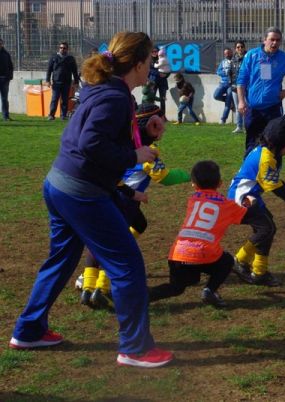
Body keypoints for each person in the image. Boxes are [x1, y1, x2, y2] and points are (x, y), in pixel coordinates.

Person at [9, 31, 173, 368]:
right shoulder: (115, 97)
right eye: (151, 61)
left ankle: (28, 330)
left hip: (60, 184)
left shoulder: (107, 89)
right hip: (81, 192)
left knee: (61, 260)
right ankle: (135, 348)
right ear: (139, 64)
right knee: (127, 265)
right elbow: (91, 144)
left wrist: (143, 135)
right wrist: (136, 153)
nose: (152, 67)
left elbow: (97, 136)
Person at [78, 103, 191, 309]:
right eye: (162, 122)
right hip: (125, 201)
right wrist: (188, 175)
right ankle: (100, 290)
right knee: (114, 245)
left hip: (107, 195)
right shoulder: (149, 150)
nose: (164, 127)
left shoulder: (123, 142)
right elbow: (163, 177)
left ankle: (87, 287)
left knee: (136, 225)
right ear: (151, 124)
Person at [148, 160, 248, 308]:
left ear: (194, 185)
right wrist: (250, 202)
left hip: (178, 254)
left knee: (176, 288)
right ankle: (209, 290)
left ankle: (140, 297)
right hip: (205, 254)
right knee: (226, 260)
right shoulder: (228, 205)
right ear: (220, 183)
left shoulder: (193, 199)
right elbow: (247, 214)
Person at [229, 115, 285, 287]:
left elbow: (275, 182)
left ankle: (259, 271)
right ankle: (239, 260)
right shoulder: (266, 157)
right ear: (282, 142)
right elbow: (275, 188)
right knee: (267, 228)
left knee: (268, 227)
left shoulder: (268, 152)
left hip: (250, 196)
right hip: (240, 199)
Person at [236, 27, 285, 156]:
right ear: (264, 40)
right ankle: (250, 174)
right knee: (252, 144)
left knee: (274, 143)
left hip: (273, 109)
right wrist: (241, 102)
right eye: (271, 39)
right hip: (253, 109)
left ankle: (272, 173)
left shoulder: (284, 59)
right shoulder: (252, 55)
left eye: (277, 40)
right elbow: (241, 80)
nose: (274, 43)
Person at [45, 41, 79, 121]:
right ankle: (51, 115)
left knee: (64, 100)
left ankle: (63, 115)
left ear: (67, 49)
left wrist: (76, 82)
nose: (62, 49)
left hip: (66, 82)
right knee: (54, 99)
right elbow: (49, 70)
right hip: (56, 82)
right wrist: (47, 80)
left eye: (64, 48)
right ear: (59, 48)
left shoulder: (70, 59)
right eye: (61, 48)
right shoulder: (54, 57)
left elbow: (75, 71)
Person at [230, 41, 246, 133]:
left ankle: (247, 126)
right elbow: (231, 72)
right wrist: (231, 83)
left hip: (246, 86)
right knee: (238, 107)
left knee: (246, 107)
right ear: (235, 49)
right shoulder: (233, 59)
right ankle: (239, 126)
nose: (240, 48)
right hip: (235, 86)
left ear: (244, 47)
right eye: (238, 47)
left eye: (241, 47)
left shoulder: (248, 58)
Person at [148, 46, 170, 115]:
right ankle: (150, 115)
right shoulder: (148, 60)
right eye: (152, 51)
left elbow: (168, 70)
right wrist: (158, 73)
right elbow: (148, 71)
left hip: (162, 83)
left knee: (162, 100)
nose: (154, 53)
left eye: (156, 51)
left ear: (159, 52)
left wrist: (166, 75)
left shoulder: (163, 59)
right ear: (150, 53)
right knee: (151, 99)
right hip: (152, 83)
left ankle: (163, 116)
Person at [214, 47, 233, 124]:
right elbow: (218, 71)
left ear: (231, 52)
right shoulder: (223, 62)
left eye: (228, 53)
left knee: (227, 104)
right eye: (225, 53)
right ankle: (229, 101)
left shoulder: (234, 61)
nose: (226, 54)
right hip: (223, 83)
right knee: (216, 95)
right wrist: (225, 73)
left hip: (231, 84)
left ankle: (223, 119)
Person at [0, 38, 14, 121]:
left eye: (1, 43)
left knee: (4, 99)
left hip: (4, 79)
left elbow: (10, 66)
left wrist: (10, 76)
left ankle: (6, 116)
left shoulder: (6, 54)